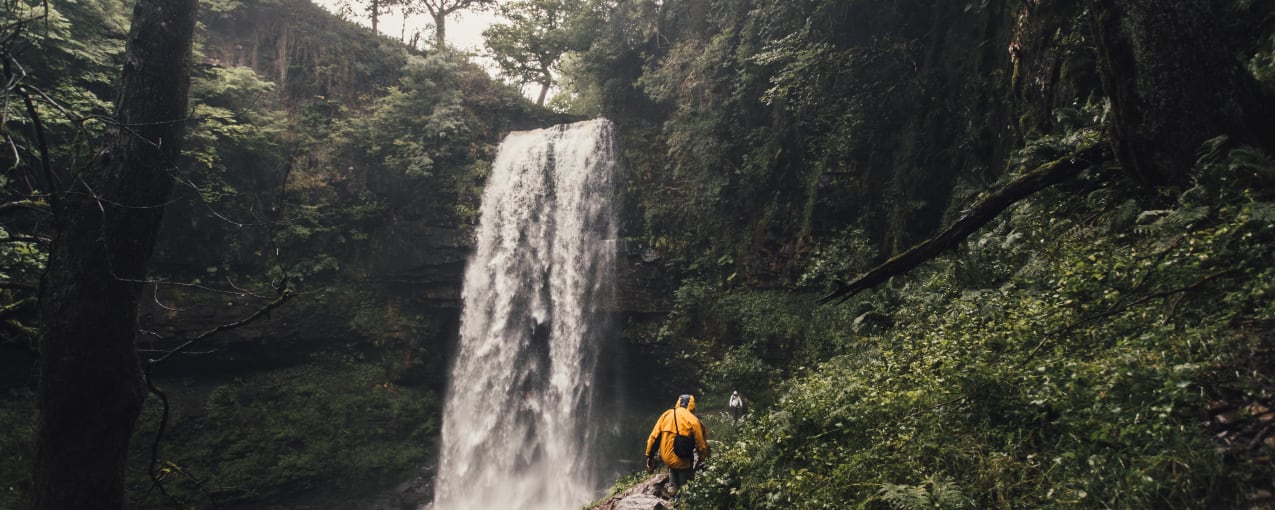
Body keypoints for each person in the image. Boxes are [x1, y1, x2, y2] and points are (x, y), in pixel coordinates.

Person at [645, 394, 710, 492]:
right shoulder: (694, 420)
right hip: (683, 458)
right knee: (685, 487)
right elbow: (701, 443)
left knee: (673, 478)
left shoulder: (666, 415)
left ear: (678, 403)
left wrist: (649, 455)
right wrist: (703, 457)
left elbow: (654, 437)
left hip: (667, 458)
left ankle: (673, 492)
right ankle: (682, 501)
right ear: (692, 406)